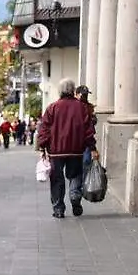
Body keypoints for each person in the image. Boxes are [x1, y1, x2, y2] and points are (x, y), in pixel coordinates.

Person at [38, 79, 98, 218]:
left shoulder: (52, 108)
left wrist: (42, 147)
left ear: (60, 91)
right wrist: (92, 147)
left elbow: (44, 129)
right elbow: (88, 130)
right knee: (75, 175)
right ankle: (75, 196)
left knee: (56, 180)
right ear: (73, 90)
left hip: (56, 151)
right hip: (76, 150)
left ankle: (58, 209)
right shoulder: (81, 107)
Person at [75, 86, 97, 164]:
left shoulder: (89, 107)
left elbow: (91, 124)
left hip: (86, 142)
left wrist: (92, 118)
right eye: (83, 95)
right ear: (77, 94)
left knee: (86, 162)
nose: (85, 97)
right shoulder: (74, 107)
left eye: (86, 95)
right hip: (75, 141)